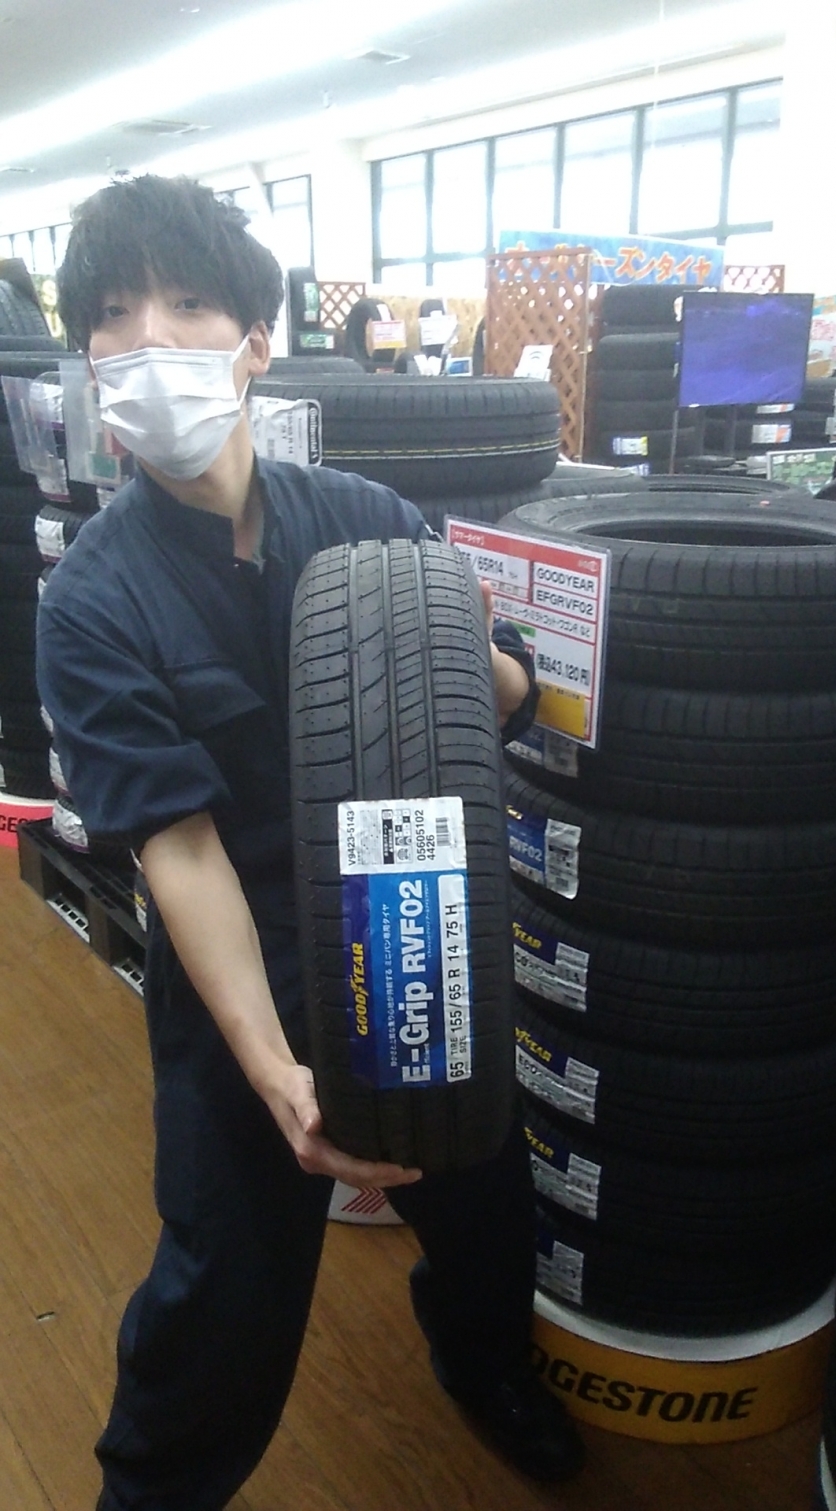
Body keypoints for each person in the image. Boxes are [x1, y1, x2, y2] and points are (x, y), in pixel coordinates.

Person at [36, 174, 586, 1511]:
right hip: (247, 956)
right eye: (114, 315)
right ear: (88, 357)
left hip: (414, 921)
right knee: (224, 1282)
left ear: (255, 341)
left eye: (187, 304)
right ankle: (150, 1489)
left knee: (481, 1196)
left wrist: (469, 659)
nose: (150, 339)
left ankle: (483, 1365)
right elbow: (179, 852)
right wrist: (277, 1072)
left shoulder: (365, 518)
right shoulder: (91, 600)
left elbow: (510, 692)